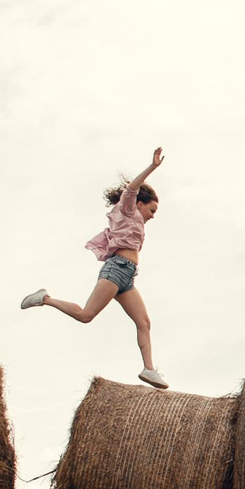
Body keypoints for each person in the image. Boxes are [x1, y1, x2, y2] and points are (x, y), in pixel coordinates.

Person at [21, 145, 167, 387]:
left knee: (144, 322)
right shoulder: (128, 209)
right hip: (115, 269)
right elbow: (132, 189)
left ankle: (149, 369)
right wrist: (152, 167)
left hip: (127, 277)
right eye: (151, 210)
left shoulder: (137, 223)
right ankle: (44, 298)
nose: (153, 215)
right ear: (139, 204)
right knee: (86, 315)